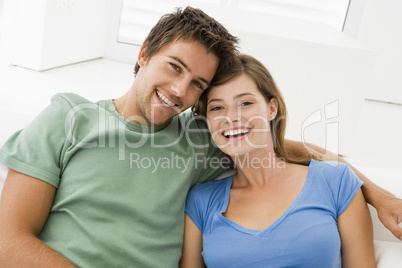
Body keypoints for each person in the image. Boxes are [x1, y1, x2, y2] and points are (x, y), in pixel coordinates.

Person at [0, 5, 399, 268]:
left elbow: (289, 151)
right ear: (143, 54)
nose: (178, 89)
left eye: (197, 84)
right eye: (174, 67)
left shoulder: (200, 138)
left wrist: (379, 196)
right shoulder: (69, 118)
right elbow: (9, 240)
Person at [180, 54, 376, 268]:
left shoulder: (335, 181)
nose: (231, 117)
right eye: (217, 108)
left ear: (272, 108)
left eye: (245, 103)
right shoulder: (201, 201)